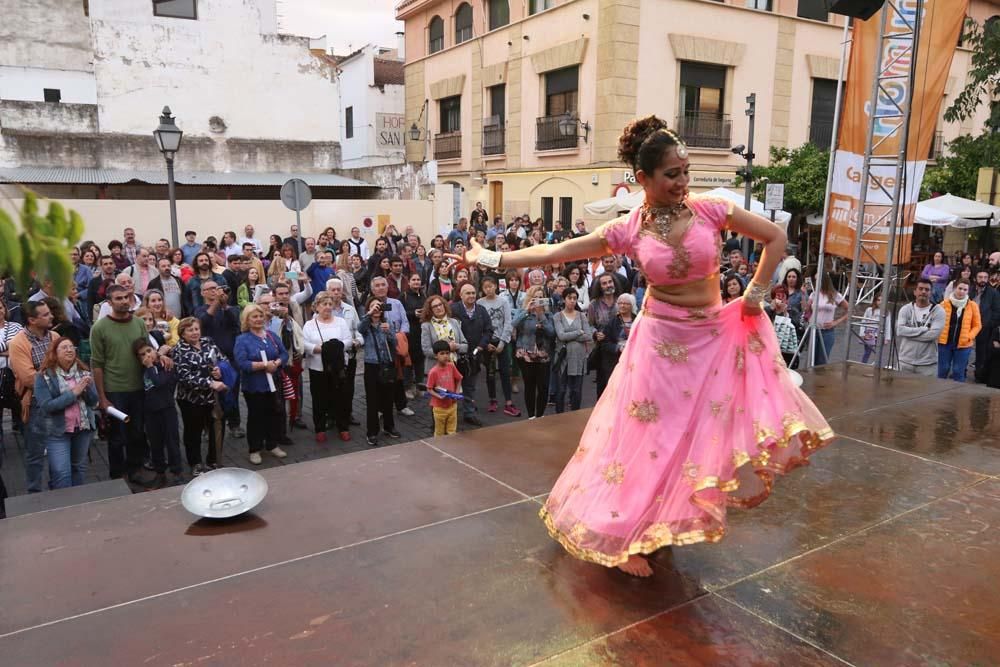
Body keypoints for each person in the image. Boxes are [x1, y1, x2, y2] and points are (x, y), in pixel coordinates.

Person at [451, 116, 832, 577]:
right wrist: (488, 257)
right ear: (643, 179)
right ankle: (625, 533)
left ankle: (661, 524)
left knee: (690, 439)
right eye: (672, 174)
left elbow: (775, 238)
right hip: (658, 342)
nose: (682, 182)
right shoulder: (628, 229)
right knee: (646, 439)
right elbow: (556, 253)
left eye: (686, 172)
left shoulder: (712, 209)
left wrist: (753, 296)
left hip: (712, 337)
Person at [90, 284, 155, 486]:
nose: (124, 301)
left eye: (126, 297)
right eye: (118, 298)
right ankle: (117, 476)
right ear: (109, 303)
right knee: (117, 437)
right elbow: (97, 365)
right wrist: (102, 397)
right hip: (114, 390)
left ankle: (135, 469)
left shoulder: (138, 323)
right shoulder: (100, 328)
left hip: (139, 387)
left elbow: (147, 351)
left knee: (137, 433)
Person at [26, 338, 98, 490]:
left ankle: (79, 504)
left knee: (79, 468)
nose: (69, 350)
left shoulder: (83, 372)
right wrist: (74, 393)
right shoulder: (43, 377)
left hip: (82, 429)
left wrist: (89, 388)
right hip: (57, 432)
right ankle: (63, 507)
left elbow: (93, 402)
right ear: (54, 353)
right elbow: (47, 406)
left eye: (72, 347)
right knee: (61, 472)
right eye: (64, 347)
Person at [10, 301, 60, 492]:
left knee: (58, 447)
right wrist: (58, 378)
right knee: (35, 452)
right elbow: (29, 378)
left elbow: (66, 363)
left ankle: (58, 487)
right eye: (46, 315)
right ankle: (34, 493)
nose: (52, 317)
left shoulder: (54, 336)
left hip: (58, 399)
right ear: (32, 320)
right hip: (35, 403)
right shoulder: (18, 343)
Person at [233, 304, 289, 464]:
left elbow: (284, 353)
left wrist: (276, 363)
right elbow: (242, 363)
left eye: (260, 316)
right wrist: (264, 365)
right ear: (247, 320)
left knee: (274, 414)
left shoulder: (271, 335)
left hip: (274, 384)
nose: (258, 319)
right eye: (254, 317)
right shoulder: (242, 339)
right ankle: (255, 449)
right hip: (255, 385)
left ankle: (272, 444)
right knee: (256, 417)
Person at [173, 317, 228, 476]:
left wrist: (220, 370)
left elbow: (223, 359)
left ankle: (213, 460)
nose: (194, 332)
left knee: (216, 428)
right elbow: (184, 377)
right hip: (191, 399)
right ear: (182, 333)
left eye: (196, 329)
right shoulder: (179, 349)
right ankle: (195, 463)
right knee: (193, 431)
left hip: (213, 398)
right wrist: (209, 382)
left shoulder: (208, 342)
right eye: (190, 330)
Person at [302, 291, 357, 442]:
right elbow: (305, 344)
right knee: (319, 399)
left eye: (330, 304)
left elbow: (348, 340)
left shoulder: (341, 322)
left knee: (340, 398)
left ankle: (343, 427)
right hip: (318, 367)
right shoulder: (309, 324)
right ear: (316, 307)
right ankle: (320, 428)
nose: (327, 307)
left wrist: (334, 347)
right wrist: (319, 349)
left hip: (338, 368)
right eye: (323, 304)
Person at [195, 280, 244, 438]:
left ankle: (234, 424)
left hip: (230, 358)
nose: (214, 291)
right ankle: (208, 427)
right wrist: (216, 303)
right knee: (209, 395)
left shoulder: (230, 309)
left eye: (216, 288)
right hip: (209, 359)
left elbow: (235, 323)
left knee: (232, 392)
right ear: (202, 293)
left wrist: (223, 305)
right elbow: (204, 322)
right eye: (209, 289)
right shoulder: (199, 310)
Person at [134, 339, 182, 487]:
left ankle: (177, 473)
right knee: (155, 443)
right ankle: (160, 473)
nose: (147, 356)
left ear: (155, 350)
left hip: (167, 409)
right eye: (143, 354)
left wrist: (150, 366)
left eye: (149, 351)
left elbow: (159, 382)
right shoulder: (142, 369)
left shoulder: (165, 365)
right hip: (151, 412)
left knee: (172, 442)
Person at [359, 296, 402, 446]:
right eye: (374, 306)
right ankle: (372, 432)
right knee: (372, 400)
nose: (377, 309)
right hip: (372, 365)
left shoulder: (387, 322)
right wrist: (369, 314)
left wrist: (389, 332)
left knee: (388, 398)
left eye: (379, 306)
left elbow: (395, 342)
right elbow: (360, 329)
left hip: (387, 363)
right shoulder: (366, 323)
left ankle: (389, 427)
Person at [451, 282, 492, 426]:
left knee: (470, 386)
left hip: (474, 355)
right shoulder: (453, 309)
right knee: (452, 386)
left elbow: (488, 330)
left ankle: (469, 413)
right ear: (461, 295)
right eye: (468, 293)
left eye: (473, 293)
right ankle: (450, 414)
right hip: (456, 354)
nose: (471, 296)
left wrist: (482, 345)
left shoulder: (481, 310)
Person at [477, 276, 520, 416]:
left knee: (505, 371)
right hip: (487, 342)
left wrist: (502, 342)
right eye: (485, 287)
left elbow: (508, 322)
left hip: (501, 341)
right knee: (490, 373)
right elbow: (480, 325)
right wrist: (485, 343)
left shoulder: (503, 302)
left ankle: (508, 401)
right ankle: (492, 399)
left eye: (491, 286)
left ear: (496, 286)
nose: (489, 289)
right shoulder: (480, 303)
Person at [511, 286, 554, 421]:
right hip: (526, 354)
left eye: (541, 297)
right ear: (530, 298)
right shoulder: (523, 312)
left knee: (543, 386)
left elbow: (551, 333)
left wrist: (541, 315)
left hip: (543, 355)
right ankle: (531, 416)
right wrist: (526, 311)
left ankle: (540, 415)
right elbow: (513, 323)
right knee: (529, 385)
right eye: (536, 298)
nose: (539, 300)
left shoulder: (548, 315)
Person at [552, 287, 592, 414]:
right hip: (563, 357)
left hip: (579, 357)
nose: (572, 301)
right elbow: (561, 336)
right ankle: (559, 417)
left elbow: (589, 335)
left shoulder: (581, 316)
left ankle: (575, 415)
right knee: (561, 390)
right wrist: (578, 332)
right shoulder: (557, 316)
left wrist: (570, 335)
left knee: (576, 390)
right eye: (570, 298)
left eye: (575, 298)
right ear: (564, 299)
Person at [895, 278, 946, 376]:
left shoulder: (939, 311)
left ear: (931, 293)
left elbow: (932, 335)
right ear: (915, 292)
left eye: (927, 290)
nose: (923, 292)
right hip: (905, 361)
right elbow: (900, 331)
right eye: (920, 288)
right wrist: (922, 330)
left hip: (927, 365)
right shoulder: (905, 309)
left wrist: (909, 333)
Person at [936, 280, 981, 382]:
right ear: (954, 289)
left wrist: (969, 336)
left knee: (958, 371)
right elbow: (937, 322)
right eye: (960, 288)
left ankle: (958, 396)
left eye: (965, 289)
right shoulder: (944, 304)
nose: (962, 291)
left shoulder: (973, 305)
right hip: (944, 343)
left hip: (963, 345)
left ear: (968, 291)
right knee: (943, 370)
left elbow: (977, 325)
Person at [587, 273, 619, 396]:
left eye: (610, 282)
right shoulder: (594, 305)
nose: (608, 285)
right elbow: (589, 325)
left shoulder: (622, 300)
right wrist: (595, 333)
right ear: (599, 287)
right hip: (602, 350)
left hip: (620, 349)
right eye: (604, 283)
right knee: (603, 385)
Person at [808, 272, 849, 366]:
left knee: (822, 361)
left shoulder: (835, 295)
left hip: (827, 331)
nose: (816, 282)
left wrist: (836, 322)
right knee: (811, 360)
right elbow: (806, 310)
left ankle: (820, 380)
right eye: (815, 280)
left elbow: (850, 310)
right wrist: (803, 293)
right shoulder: (814, 294)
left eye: (817, 279)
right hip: (813, 330)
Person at [427, 339, 464, 436]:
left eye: (447, 353)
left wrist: (457, 392)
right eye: (442, 353)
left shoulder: (451, 366)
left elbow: (459, 378)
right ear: (436, 355)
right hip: (439, 408)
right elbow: (429, 389)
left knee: (452, 432)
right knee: (439, 433)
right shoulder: (433, 372)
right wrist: (438, 396)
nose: (445, 356)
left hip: (452, 405)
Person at [971, 270, 1000, 383]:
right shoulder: (970, 290)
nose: (982, 279)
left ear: (988, 279)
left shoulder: (993, 293)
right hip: (968, 325)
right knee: (965, 349)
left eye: (985, 277)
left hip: (985, 327)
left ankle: (979, 375)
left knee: (981, 353)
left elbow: (997, 311)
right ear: (975, 279)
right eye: (980, 277)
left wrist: (989, 324)